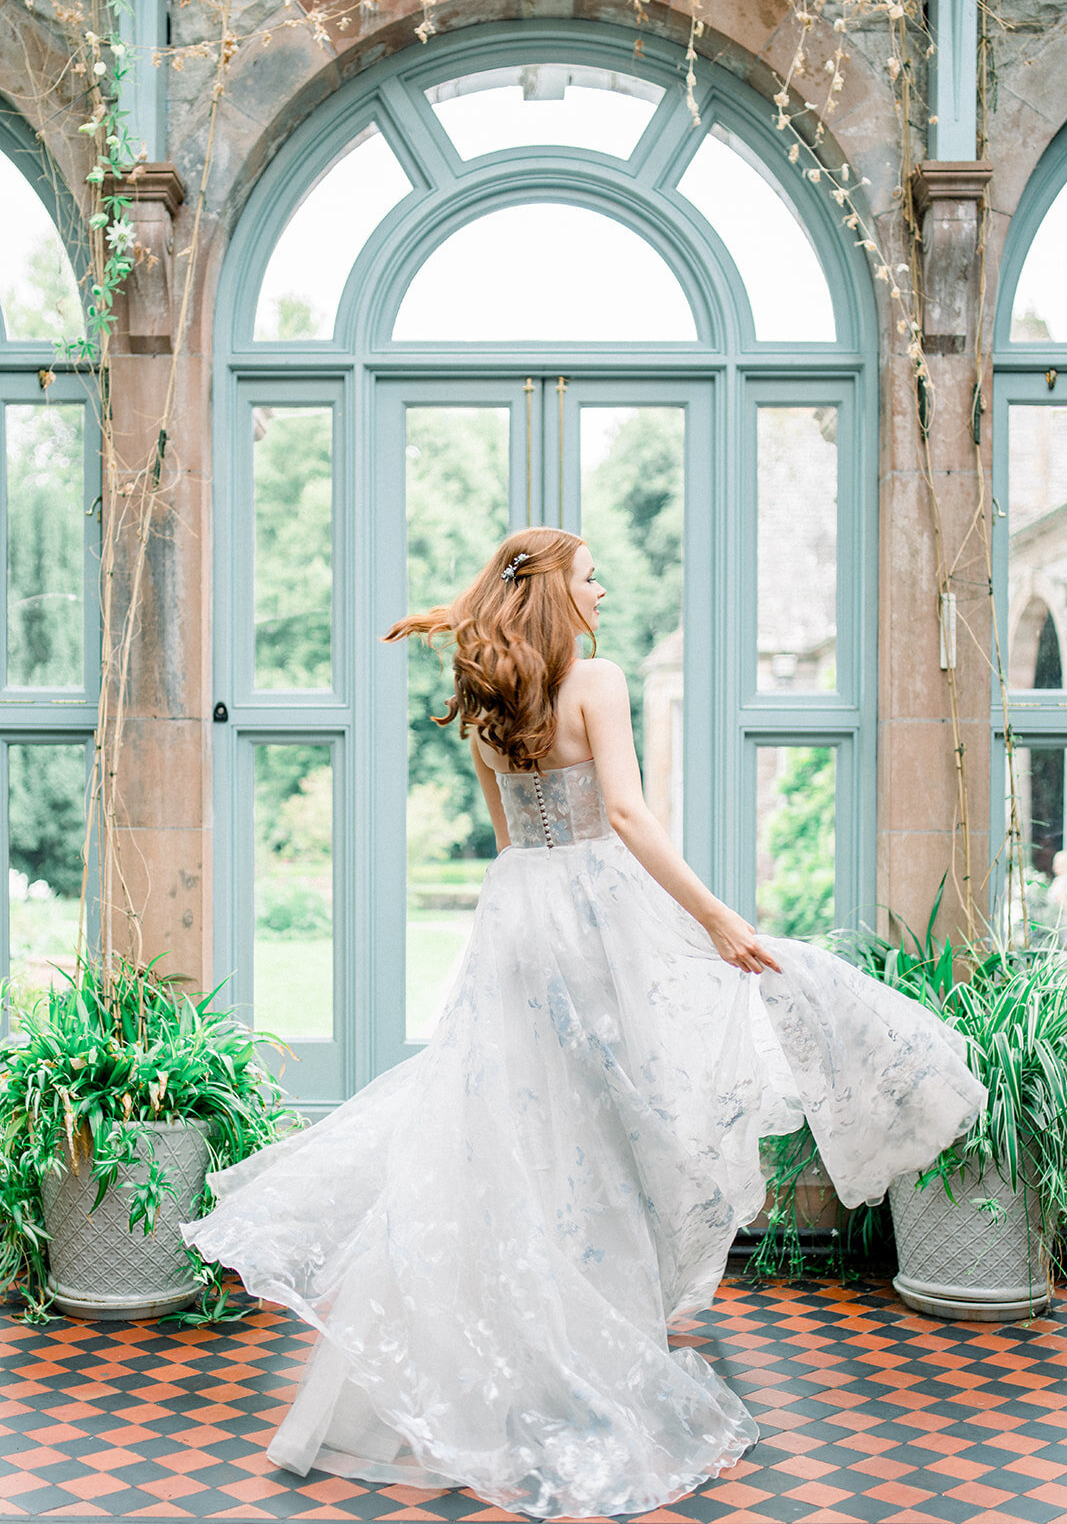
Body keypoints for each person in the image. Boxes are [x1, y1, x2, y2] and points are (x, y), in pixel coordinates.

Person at [183, 527, 986, 1519]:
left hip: (516, 912)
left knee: (515, 1136)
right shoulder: (594, 681)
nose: (605, 585)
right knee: (607, 1131)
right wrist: (715, 917)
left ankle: (526, 1353)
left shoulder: (487, 696)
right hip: (595, 912)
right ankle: (587, 1353)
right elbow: (629, 815)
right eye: (591, 571)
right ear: (557, 589)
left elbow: (503, 830)